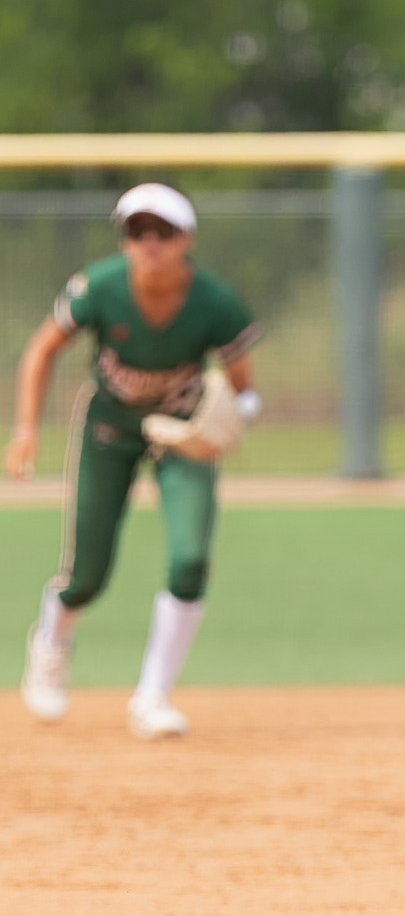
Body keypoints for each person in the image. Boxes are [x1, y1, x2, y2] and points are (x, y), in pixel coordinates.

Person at [6, 182, 263, 739]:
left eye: (162, 232)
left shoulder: (214, 302)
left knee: (190, 559)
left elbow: (244, 389)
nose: (149, 242)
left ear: (185, 239)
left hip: (182, 435)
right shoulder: (99, 287)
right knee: (87, 574)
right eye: (137, 231)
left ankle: (153, 696)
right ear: (123, 239)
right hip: (109, 427)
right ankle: (52, 642)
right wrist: (25, 428)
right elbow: (42, 349)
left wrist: (234, 419)